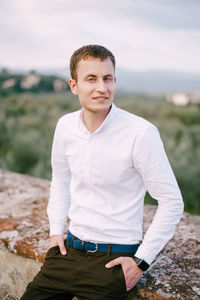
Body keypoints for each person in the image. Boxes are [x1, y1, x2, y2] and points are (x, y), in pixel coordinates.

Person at [20, 45, 184, 300]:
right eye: (91, 79)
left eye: (107, 78)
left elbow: (172, 202)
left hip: (113, 262)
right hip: (66, 252)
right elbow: (61, 181)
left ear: (115, 81)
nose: (102, 88)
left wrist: (141, 262)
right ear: (74, 86)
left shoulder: (140, 134)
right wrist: (55, 233)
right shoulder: (65, 126)